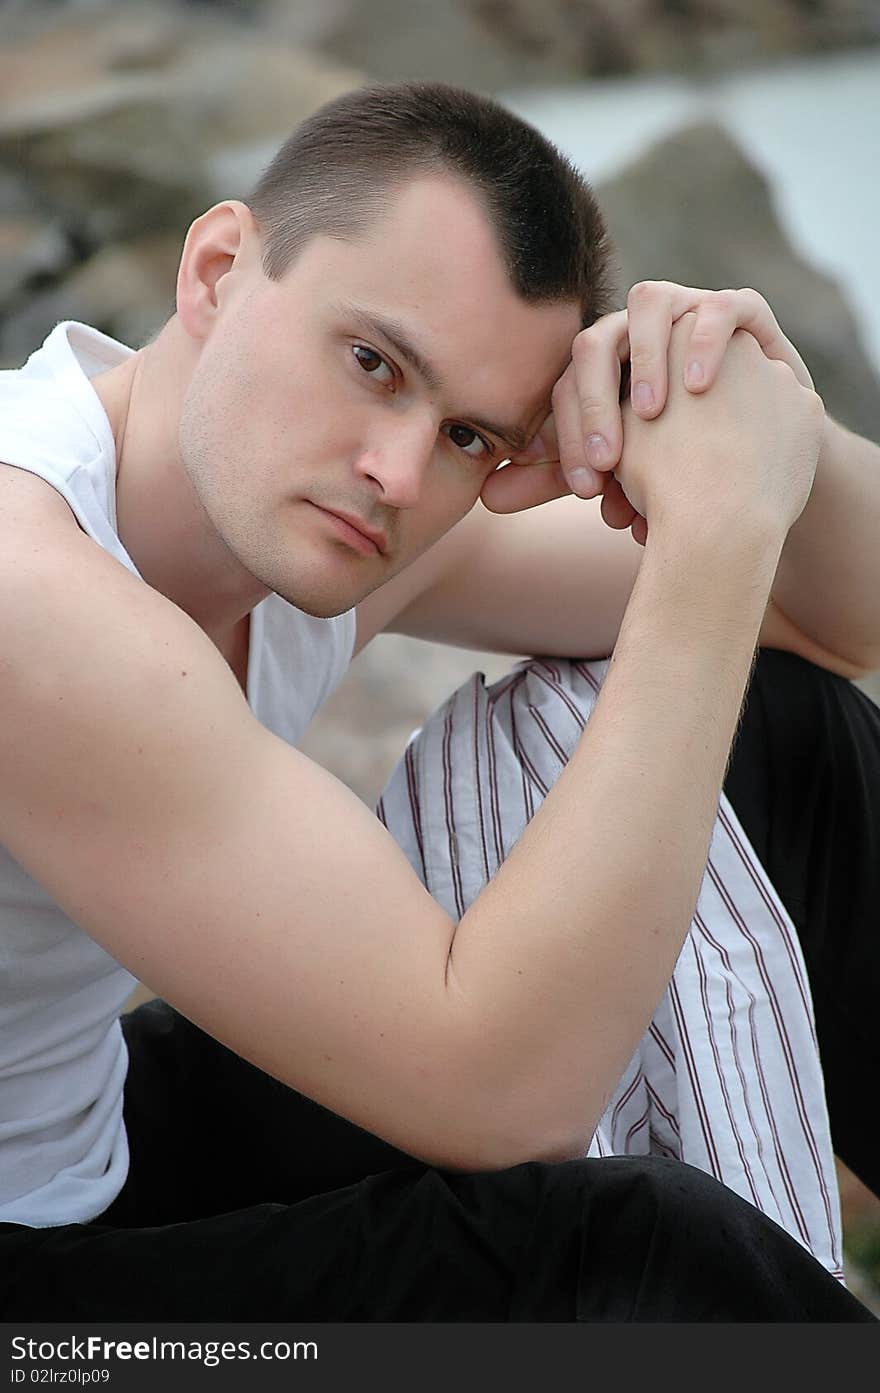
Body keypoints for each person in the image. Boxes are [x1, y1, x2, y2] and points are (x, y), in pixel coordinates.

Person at [0, 80, 877, 1322]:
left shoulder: (335, 513)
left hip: (86, 1141)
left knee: (774, 735)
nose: (400, 470)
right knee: (625, 1258)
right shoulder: (29, 589)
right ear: (216, 269)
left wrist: (767, 416)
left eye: (472, 432)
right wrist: (710, 541)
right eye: (373, 362)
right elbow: (503, 1095)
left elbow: (836, 616)